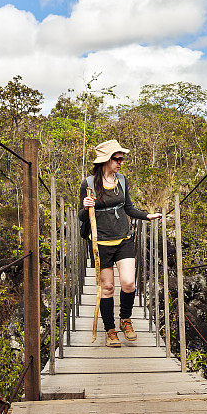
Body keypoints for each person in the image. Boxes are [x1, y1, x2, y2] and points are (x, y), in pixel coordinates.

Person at [79, 139, 160, 347]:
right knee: (107, 288)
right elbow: (81, 216)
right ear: (106, 161)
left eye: (121, 158)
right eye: (117, 158)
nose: (120, 162)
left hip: (124, 239)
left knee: (128, 283)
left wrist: (146, 216)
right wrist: (86, 206)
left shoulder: (122, 180)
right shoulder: (88, 184)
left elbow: (128, 208)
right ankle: (110, 330)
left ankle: (125, 319)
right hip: (100, 243)